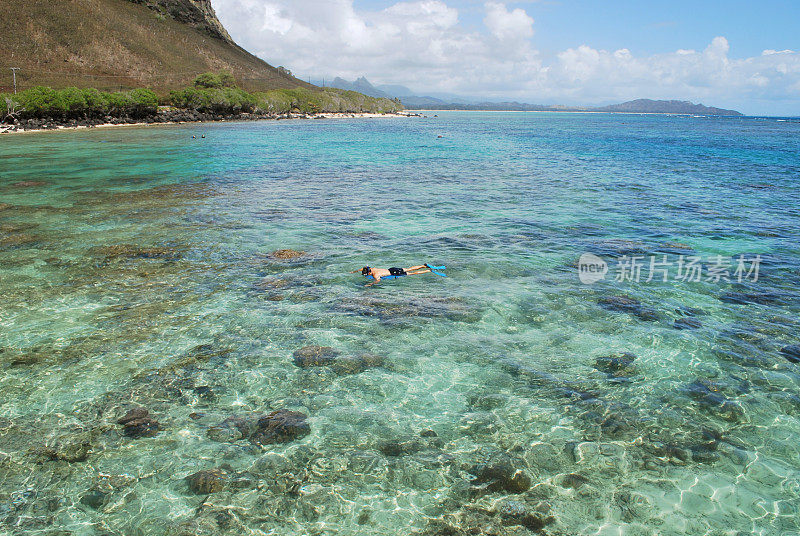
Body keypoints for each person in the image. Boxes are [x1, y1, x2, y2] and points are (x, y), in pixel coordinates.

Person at [351, 264, 433, 286]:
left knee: (412, 273)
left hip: (394, 273)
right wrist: (354, 271)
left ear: (369, 273)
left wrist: (371, 284)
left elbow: (378, 280)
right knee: (409, 268)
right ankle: (424, 265)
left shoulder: (375, 274)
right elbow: (362, 268)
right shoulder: (371, 268)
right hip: (392, 269)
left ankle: (428, 270)